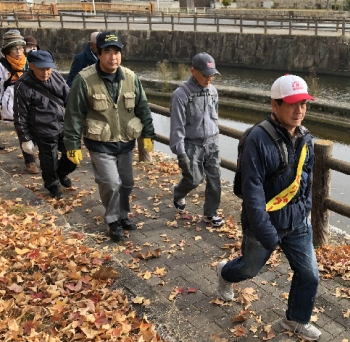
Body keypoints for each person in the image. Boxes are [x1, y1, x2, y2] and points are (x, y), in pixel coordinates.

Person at [215, 74, 321, 341]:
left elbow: (307, 179)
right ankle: (224, 272)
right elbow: (252, 192)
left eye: (304, 104)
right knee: (249, 269)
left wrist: (305, 211)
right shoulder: (257, 140)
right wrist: (267, 234)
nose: (299, 111)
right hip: (266, 223)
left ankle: (296, 320)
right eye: (292, 104)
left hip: (297, 222)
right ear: (275, 105)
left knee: (309, 274)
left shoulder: (306, 138)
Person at [64, 31, 155, 242]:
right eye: (107, 52)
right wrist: (72, 144)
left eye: (116, 52)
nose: (112, 57)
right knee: (111, 182)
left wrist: (148, 135)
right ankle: (113, 220)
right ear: (97, 53)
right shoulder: (84, 80)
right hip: (100, 144)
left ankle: (123, 215)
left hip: (125, 142)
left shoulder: (131, 78)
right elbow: (74, 115)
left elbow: (143, 108)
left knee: (127, 183)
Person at [169, 52, 223, 227]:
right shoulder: (181, 94)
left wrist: (216, 135)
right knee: (193, 179)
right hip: (192, 144)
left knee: (215, 180)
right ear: (193, 71)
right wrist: (180, 153)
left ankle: (210, 213)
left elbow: (215, 116)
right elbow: (177, 127)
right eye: (205, 75)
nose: (209, 78)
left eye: (212, 74)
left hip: (212, 143)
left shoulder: (213, 91)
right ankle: (178, 193)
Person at [13, 50, 75, 199]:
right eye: (41, 69)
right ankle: (52, 185)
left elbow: (69, 98)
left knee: (72, 156)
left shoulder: (56, 76)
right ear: (32, 65)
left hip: (63, 125)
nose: (45, 72)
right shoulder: (22, 85)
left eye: (48, 68)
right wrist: (25, 138)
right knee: (49, 162)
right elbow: (20, 114)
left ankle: (61, 172)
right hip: (43, 129)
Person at [0, 29, 38, 173]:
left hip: (30, 100)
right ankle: (30, 161)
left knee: (35, 129)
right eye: (15, 48)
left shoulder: (28, 62)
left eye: (21, 48)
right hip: (12, 102)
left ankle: (31, 149)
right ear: (8, 49)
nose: (19, 51)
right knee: (23, 131)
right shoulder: (0, 65)